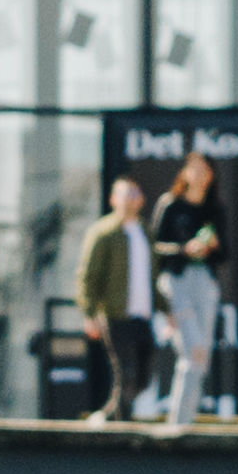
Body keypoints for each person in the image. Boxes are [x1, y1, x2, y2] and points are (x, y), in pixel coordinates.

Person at [149, 149, 233, 428]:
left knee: (202, 358)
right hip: (176, 281)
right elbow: (156, 247)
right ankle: (177, 424)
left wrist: (211, 247)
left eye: (205, 170)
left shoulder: (214, 208)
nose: (199, 175)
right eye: (194, 169)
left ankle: (186, 420)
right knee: (192, 350)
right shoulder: (171, 205)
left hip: (204, 283)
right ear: (185, 173)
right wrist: (185, 249)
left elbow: (223, 256)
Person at [80, 176, 159, 425]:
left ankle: (105, 415)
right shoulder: (104, 232)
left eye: (133, 194)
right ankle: (122, 429)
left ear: (141, 199)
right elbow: (88, 275)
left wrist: (165, 309)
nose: (129, 199)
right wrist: (90, 313)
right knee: (125, 372)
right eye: (124, 194)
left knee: (143, 376)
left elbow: (152, 274)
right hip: (115, 314)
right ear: (113, 199)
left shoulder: (144, 231)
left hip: (142, 314)